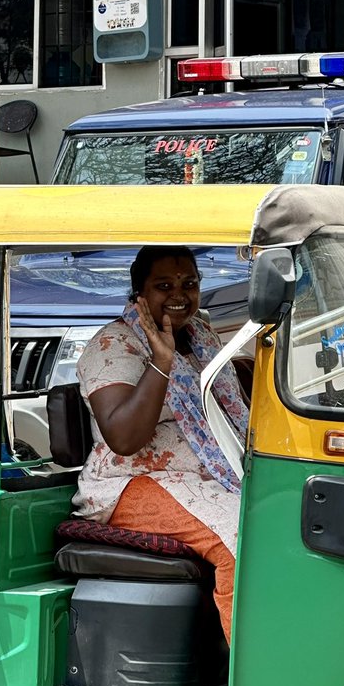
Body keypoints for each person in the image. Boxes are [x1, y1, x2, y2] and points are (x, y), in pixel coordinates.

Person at [72, 246, 249, 643]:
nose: (179, 294)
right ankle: (258, 677)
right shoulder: (112, 345)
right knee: (245, 539)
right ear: (138, 294)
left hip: (217, 474)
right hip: (133, 479)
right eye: (163, 285)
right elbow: (124, 438)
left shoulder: (200, 333)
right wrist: (161, 362)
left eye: (189, 283)